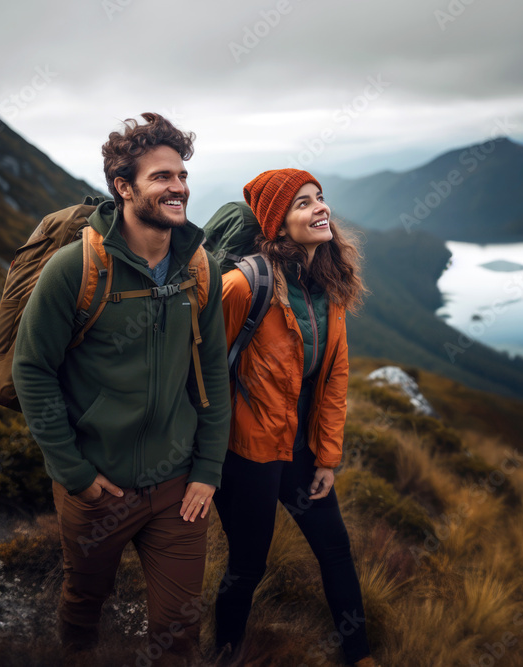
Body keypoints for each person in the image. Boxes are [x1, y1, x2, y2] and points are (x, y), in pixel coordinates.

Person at [12, 113, 230, 662]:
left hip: (178, 490)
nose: (177, 186)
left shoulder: (197, 268)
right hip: (97, 486)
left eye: (181, 174)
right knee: (84, 602)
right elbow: (32, 369)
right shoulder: (75, 269)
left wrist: (206, 471)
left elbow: (213, 374)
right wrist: (76, 475)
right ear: (124, 187)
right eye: (161, 177)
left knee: (179, 632)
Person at [212, 169, 377, 666]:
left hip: (301, 451)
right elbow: (198, 373)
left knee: (335, 549)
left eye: (320, 198)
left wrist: (326, 456)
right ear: (278, 226)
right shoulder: (243, 285)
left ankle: (360, 655)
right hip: (247, 455)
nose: (320, 208)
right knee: (248, 565)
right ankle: (226, 655)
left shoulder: (329, 284)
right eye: (302, 204)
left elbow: (334, 376)